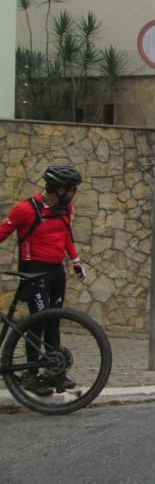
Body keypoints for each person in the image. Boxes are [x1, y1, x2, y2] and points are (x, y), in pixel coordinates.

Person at [0, 166, 86, 396]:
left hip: (57, 271)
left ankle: (55, 372)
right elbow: (2, 232)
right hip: (34, 272)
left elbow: (66, 235)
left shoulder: (65, 208)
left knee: (53, 320)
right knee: (37, 321)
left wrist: (76, 261)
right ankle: (31, 375)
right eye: (73, 189)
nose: (75, 193)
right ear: (60, 190)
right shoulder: (26, 210)